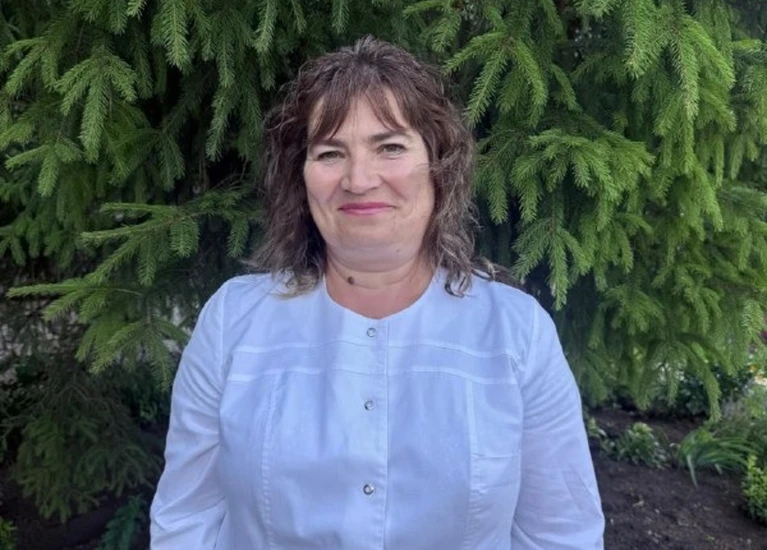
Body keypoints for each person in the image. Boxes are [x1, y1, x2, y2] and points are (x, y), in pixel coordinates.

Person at [150, 36, 605, 549]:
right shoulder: (233, 321)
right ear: (302, 178)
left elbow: (561, 535)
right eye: (330, 153)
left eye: (390, 147)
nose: (359, 179)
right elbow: (186, 520)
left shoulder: (517, 332)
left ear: (439, 164)